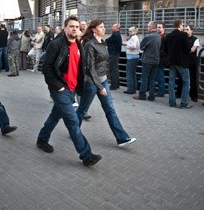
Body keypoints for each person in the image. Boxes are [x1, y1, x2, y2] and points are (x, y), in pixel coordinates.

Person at [36, 15, 102, 167]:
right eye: (71, 26)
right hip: (60, 89)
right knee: (72, 121)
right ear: (65, 28)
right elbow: (46, 68)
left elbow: (79, 68)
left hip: (72, 89)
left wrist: (79, 87)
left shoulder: (79, 44)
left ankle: (42, 139)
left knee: (54, 116)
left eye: (77, 27)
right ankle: (86, 155)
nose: (74, 29)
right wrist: (58, 86)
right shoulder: (56, 44)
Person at [76, 19, 136, 147]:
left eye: (104, 27)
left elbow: (103, 63)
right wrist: (99, 86)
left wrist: (105, 81)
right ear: (93, 29)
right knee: (82, 110)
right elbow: (89, 67)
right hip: (92, 82)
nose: (104, 29)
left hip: (103, 80)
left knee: (110, 109)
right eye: (101, 27)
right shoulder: (89, 45)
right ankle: (73, 131)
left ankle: (122, 138)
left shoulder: (102, 42)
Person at [164, 19, 192, 108]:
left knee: (171, 82)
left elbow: (165, 50)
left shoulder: (168, 36)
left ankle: (172, 102)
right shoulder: (183, 35)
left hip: (172, 62)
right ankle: (184, 103)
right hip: (182, 62)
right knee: (186, 82)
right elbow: (187, 50)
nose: (183, 27)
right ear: (180, 25)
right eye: (182, 25)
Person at [133, 21, 161, 101]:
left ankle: (142, 95)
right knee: (152, 78)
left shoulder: (148, 37)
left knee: (144, 78)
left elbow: (141, 47)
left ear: (152, 27)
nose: (147, 28)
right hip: (156, 60)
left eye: (148, 26)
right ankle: (151, 96)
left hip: (148, 60)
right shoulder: (159, 37)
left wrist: (147, 48)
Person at [123, 26, 140, 94]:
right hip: (134, 56)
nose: (128, 32)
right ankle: (134, 88)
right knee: (133, 73)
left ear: (132, 31)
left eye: (129, 31)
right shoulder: (135, 37)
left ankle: (130, 89)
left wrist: (126, 43)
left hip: (132, 57)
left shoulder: (133, 37)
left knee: (129, 73)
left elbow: (133, 46)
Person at [184, 25, 200, 102]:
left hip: (192, 62)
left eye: (187, 29)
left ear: (191, 30)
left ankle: (194, 96)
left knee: (193, 79)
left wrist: (184, 50)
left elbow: (192, 50)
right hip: (184, 61)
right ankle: (180, 94)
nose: (186, 31)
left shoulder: (196, 39)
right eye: (185, 29)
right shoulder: (183, 39)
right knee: (182, 79)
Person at [105, 23, 122, 90]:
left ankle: (114, 85)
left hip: (113, 54)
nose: (112, 28)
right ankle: (116, 84)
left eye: (113, 27)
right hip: (115, 53)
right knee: (115, 69)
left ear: (117, 28)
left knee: (113, 69)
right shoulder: (117, 34)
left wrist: (108, 43)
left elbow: (107, 40)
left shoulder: (115, 35)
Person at [154, 22, 167, 97]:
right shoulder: (157, 36)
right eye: (157, 27)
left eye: (160, 27)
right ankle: (160, 90)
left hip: (161, 59)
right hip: (156, 58)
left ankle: (161, 91)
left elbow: (164, 50)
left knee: (160, 76)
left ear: (164, 28)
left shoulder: (165, 37)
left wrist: (157, 54)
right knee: (157, 76)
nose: (158, 29)